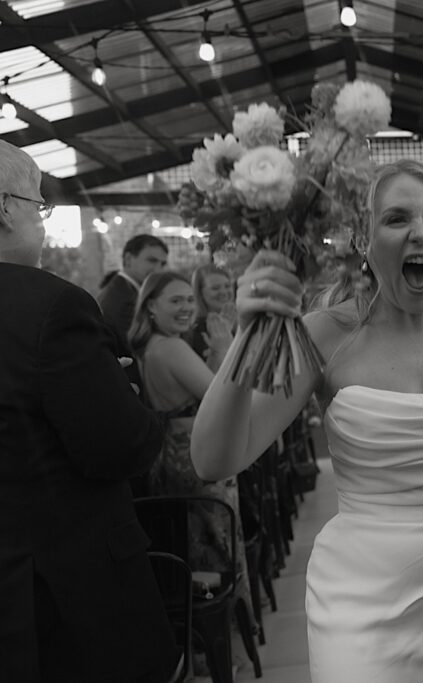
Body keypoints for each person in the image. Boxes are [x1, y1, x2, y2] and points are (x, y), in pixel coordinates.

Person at [191, 159, 423, 682]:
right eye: (397, 219)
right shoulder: (323, 334)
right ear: (361, 241)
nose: (421, 232)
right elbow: (215, 459)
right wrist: (248, 336)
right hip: (362, 602)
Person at [0, 140, 178, 681]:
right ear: (5, 207)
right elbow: (122, 446)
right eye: (38, 205)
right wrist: (121, 387)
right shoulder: (50, 306)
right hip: (64, 608)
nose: (42, 220)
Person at [128, 270, 255, 673]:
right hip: (195, 459)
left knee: (199, 545)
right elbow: (220, 394)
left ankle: (211, 650)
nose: (186, 308)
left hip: (174, 456)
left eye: (188, 300)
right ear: (150, 306)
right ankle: (224, 650)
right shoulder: (171, 348)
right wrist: (223, 349)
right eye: (175, 301)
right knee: (218, 548)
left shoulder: (152, 345)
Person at [98, 233, 168, 343]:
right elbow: (135, 346)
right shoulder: (123, 299)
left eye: (162, 264)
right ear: (128, 259)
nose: (158, 269)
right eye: (152, 261)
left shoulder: (123, 290)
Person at [190, 263, 236, 364]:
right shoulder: (196, 332)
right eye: (215, 288)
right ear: (200, 293)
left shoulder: (242, 321)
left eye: (227, 286)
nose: (223, 292)